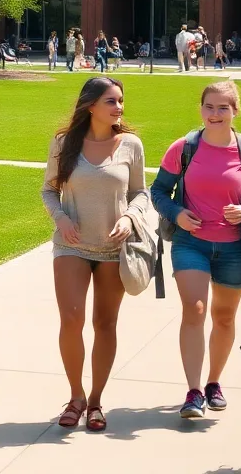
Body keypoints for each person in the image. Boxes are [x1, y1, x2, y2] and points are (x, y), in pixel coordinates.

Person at [151, 82, 241, 419]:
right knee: (196, 308)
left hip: (235, 248)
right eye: (209, 107)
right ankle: (192, 392)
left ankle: (213, 383)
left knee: (223, 316)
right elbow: (159, 191)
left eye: (223, 108)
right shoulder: (184, 148)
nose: (215, 114)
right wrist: (177, 214)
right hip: (192, 243)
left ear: (235, 111)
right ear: (200, 109)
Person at [41, 76, 151, 432]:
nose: (119, 108)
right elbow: (48, 191)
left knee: (105, 324)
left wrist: (131, 217)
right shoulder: (63, 143)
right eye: (111, 101)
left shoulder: (131, 145)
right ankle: (75, 396)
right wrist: (60, 217)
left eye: (121, 101)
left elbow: (140, 193)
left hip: (113, 248)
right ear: (91, 105)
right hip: (71, 244)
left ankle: (96, 400)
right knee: (71, 321)